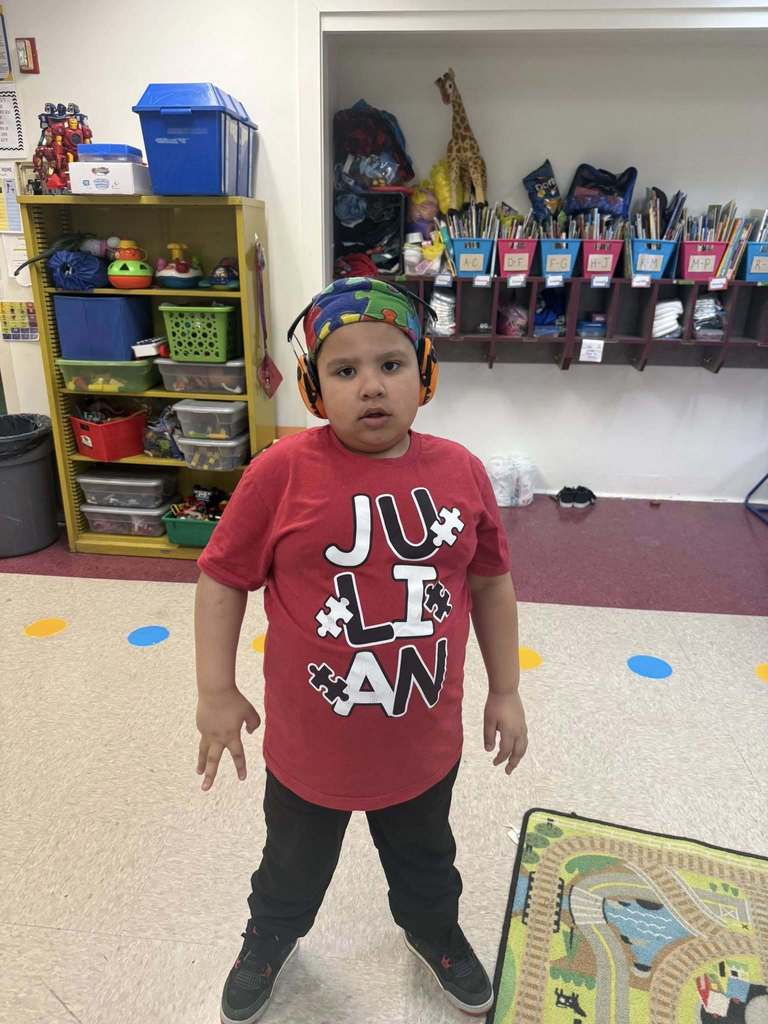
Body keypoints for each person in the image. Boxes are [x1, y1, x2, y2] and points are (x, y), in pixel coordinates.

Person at [194, 277, 528, 1024]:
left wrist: (504, 689)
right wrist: (215, 690)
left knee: (426, 863)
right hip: (312, 750)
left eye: (391, 365)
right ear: (314, 389)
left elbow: (492, 584)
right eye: (345, 371)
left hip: (421, 745)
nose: (371, 386)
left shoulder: (461, 472)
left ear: (426, 374)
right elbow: (221, 577)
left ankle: (434, 932)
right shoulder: (281, 474)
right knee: (290, 868)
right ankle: (269, 939)